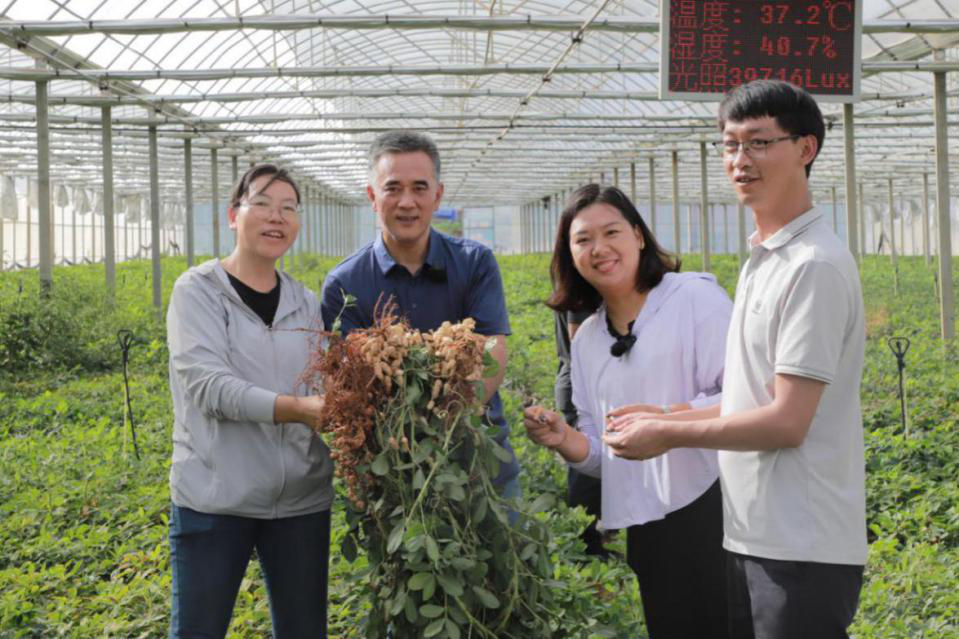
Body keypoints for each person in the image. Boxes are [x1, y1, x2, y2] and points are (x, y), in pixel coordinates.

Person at [604, 80, 867, 639]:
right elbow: (752, 399)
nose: (740, 160)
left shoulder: (812, 266)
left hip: (801, 543)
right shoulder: (764, 260)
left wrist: (669, 435)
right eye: (730, 145)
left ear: (806, 148)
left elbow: (787, 422)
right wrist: (669, 413)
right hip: (754, 533)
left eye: (759, 142)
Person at [523, 184, 732, 638]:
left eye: (611, 232)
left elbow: (744, 397)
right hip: (649, 523)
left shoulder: (693, 299)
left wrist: (665, 421)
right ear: (569, 255)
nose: (599, 249)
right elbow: (607, 455)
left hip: (721, 505)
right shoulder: (588, 341)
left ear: (638, 235)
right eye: (583, 240)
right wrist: (565, 440)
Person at [166, 164, 333, 639]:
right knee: (199, 630)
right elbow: (208, 386)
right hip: (216, 498)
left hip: (300, 500)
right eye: (261, 203)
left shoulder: (305, 302)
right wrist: (296, 410)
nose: (276, 217)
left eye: (288, 208)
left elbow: (322, 385)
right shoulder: (198, 291)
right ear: (232, 215)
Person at [320, 130, 521, 498]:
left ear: (437, 195)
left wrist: (446, 421)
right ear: (372, 197)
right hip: (391, 470)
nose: (407, 202)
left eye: (419, 188)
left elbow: (492, 349)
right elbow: (349, 381)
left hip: (477, 457)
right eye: (393, 188)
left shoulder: (475, 263)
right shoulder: (344, 284)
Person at [554, 308, 607, 557]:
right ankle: (585, 547)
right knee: (586, 469)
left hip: (584, 381)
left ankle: (597, 537)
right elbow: (578, 337)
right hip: (582, 384)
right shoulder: (583, 290)